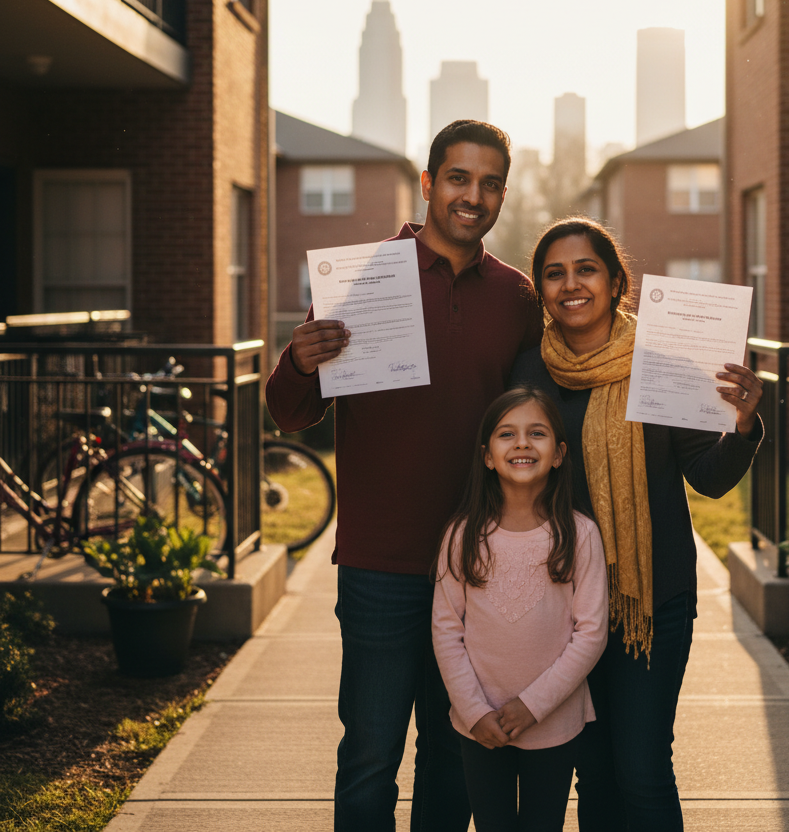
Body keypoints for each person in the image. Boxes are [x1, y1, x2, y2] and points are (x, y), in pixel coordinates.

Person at [265, 120, 543, 832]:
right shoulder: (360, 279)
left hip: (475, 565)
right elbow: (290, 415)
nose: (472, 196)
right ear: (428, 184)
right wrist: (300, 360)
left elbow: (532, 426)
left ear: (502, 194)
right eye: (458, 178)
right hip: (379, 564)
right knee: (368, 757)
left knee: (452, 759)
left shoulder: (516, 299)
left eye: (489, 184)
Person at [509, 216, 763, 832]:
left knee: (642, 769)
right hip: (563, 602)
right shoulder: (529, 372)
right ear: (541, 290)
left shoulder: (665, 359)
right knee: (593, 772)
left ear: (618, 280)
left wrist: (744, 425)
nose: (571, 284)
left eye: (586, 269)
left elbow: (706, 476)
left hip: (654, 598)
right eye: (554, 273)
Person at [432, 387, 609, 832]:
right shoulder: (462, 536)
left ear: (559, 454)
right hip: (480, 725)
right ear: (488, 456)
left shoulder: (580, 534)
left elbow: (591, 634)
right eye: (507, 434)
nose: (523, 444)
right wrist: (473, 712)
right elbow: (446, 630)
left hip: (553, 722)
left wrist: (533, 706)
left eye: (537, 433)